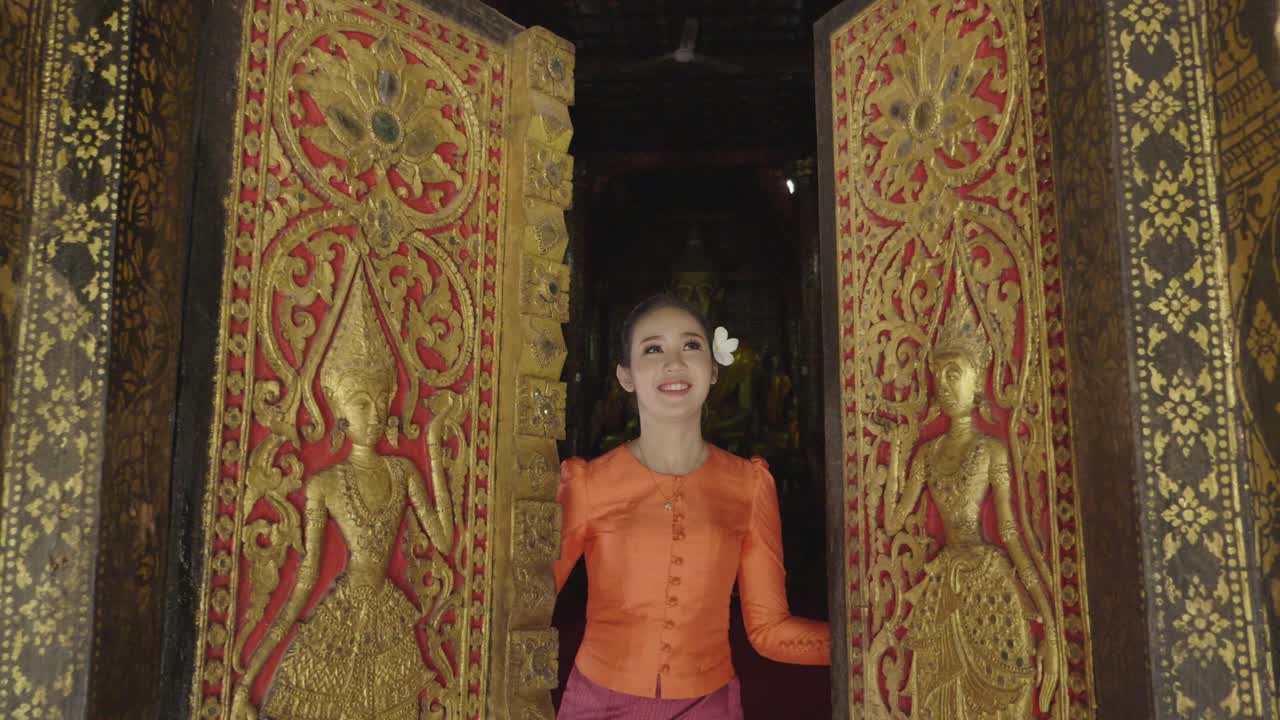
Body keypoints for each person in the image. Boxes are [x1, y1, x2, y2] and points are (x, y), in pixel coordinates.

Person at [553, 293, 831, 719]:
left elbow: (768, 629)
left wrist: (864, 642)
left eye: (691, 346)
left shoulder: (750, 484)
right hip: (599, 704)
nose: (674, 363)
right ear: (625, 376)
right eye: (652, 348)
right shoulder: (587, 484)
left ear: (714, 370)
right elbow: (527, 602)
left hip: (709, 705)